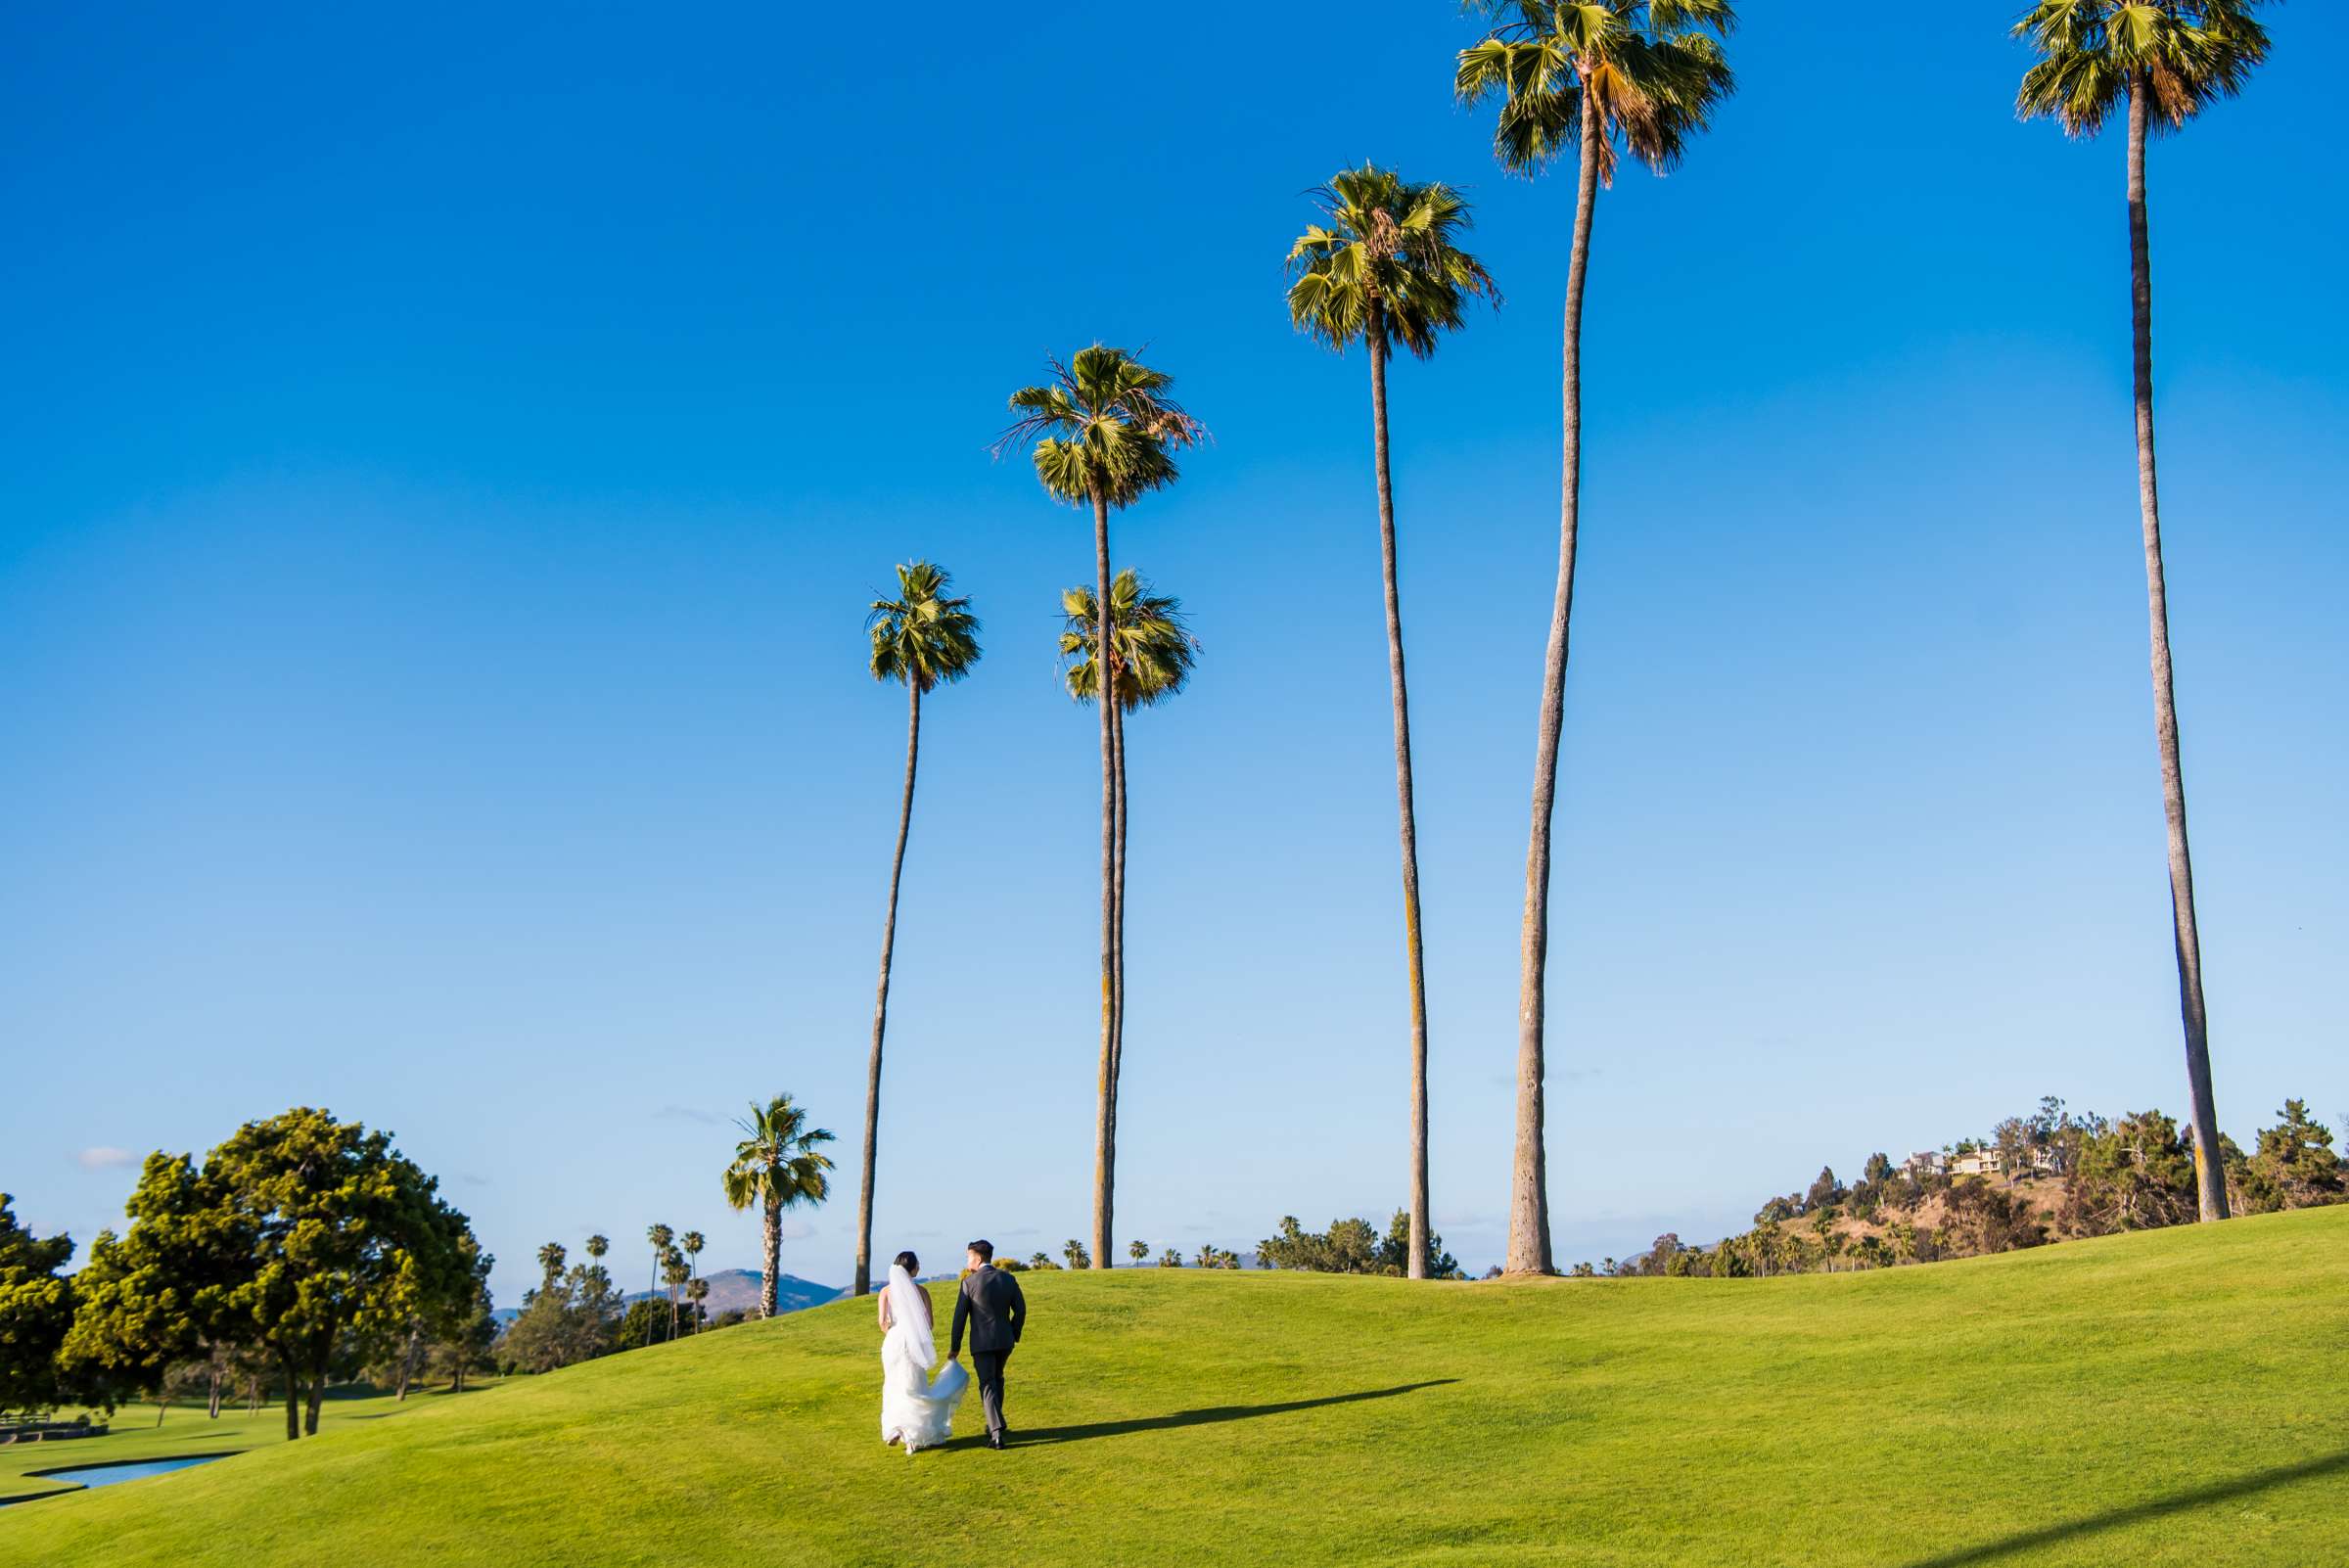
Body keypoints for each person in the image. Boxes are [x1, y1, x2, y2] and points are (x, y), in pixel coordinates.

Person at [877, 1251, 967, 1453]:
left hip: (893, 1342)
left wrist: (894, 1331)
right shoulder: (922, 1292)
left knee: (893, 1384)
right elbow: (929, 1324)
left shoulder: (885, 1292)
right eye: (918, 1265)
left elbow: (882, 1322)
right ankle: (911, 1434)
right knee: (914, 1387)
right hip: (912, 1342)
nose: (920, 1268)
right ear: (912, 1268)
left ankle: (894, 1428)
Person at [947, 1238, 1025, 1450]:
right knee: (997, 1379)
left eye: (968, 1257)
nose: (967, 1261)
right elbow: (1021, 1310)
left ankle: (997, 1434)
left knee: (988, 1384)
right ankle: (995, 1424)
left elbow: (959, 1318)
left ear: (978, 1258)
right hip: (1005, 1340)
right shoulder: (1008, 1279)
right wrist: (1013, 1332)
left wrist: (955, 1346)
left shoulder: (969, 1283)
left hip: (982, 1342)